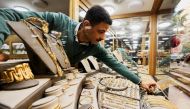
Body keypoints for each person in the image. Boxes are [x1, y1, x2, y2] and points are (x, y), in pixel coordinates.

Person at [0, 5, 156, 92]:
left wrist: (140, 81)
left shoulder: (96, 48)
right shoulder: (59, 21)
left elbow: (116, 65)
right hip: (31, 81)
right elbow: (7, 14)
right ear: (87, 25)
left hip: (58, 85)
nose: (103, 38)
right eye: (101, 31)